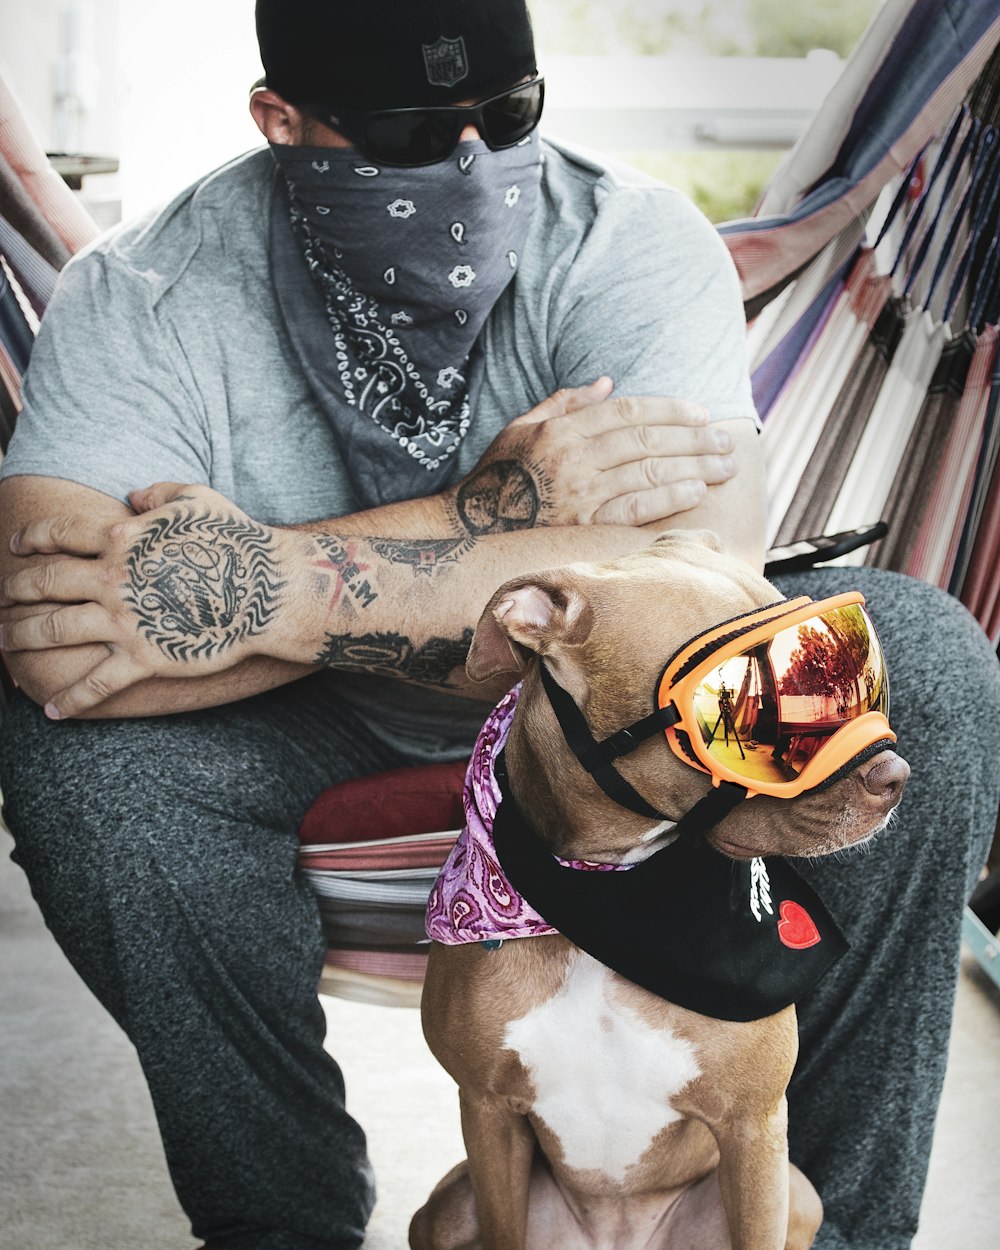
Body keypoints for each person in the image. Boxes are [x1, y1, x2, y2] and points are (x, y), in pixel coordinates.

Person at [0, 3, 996, 1248]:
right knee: (77, 769)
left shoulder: (623, 238)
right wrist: (485, 512)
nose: (475, 161)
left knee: (932, 671)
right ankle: (281, 1222)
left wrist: (260, 589)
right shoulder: (142, 296)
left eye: (509, 114)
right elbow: (53, 644)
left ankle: (834, 1230)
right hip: (298, 726)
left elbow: (693, 565)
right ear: (282, 121)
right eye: (413, 133)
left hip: (631, 708)